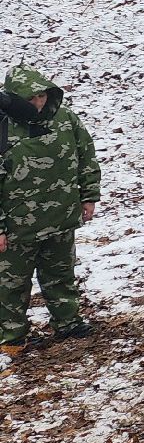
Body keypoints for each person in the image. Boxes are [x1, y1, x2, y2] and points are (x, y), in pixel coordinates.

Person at [0, 66, 100, 354]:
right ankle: (12, 335)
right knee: (11, 284)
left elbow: (86, 156)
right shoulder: (4, 126)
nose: (39, 103)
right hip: (18, 226)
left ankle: (67, 321)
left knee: (61, 274)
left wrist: (89, 195)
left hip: (61, 217)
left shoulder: (65, 119)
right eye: (31, 98)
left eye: (42, 95)